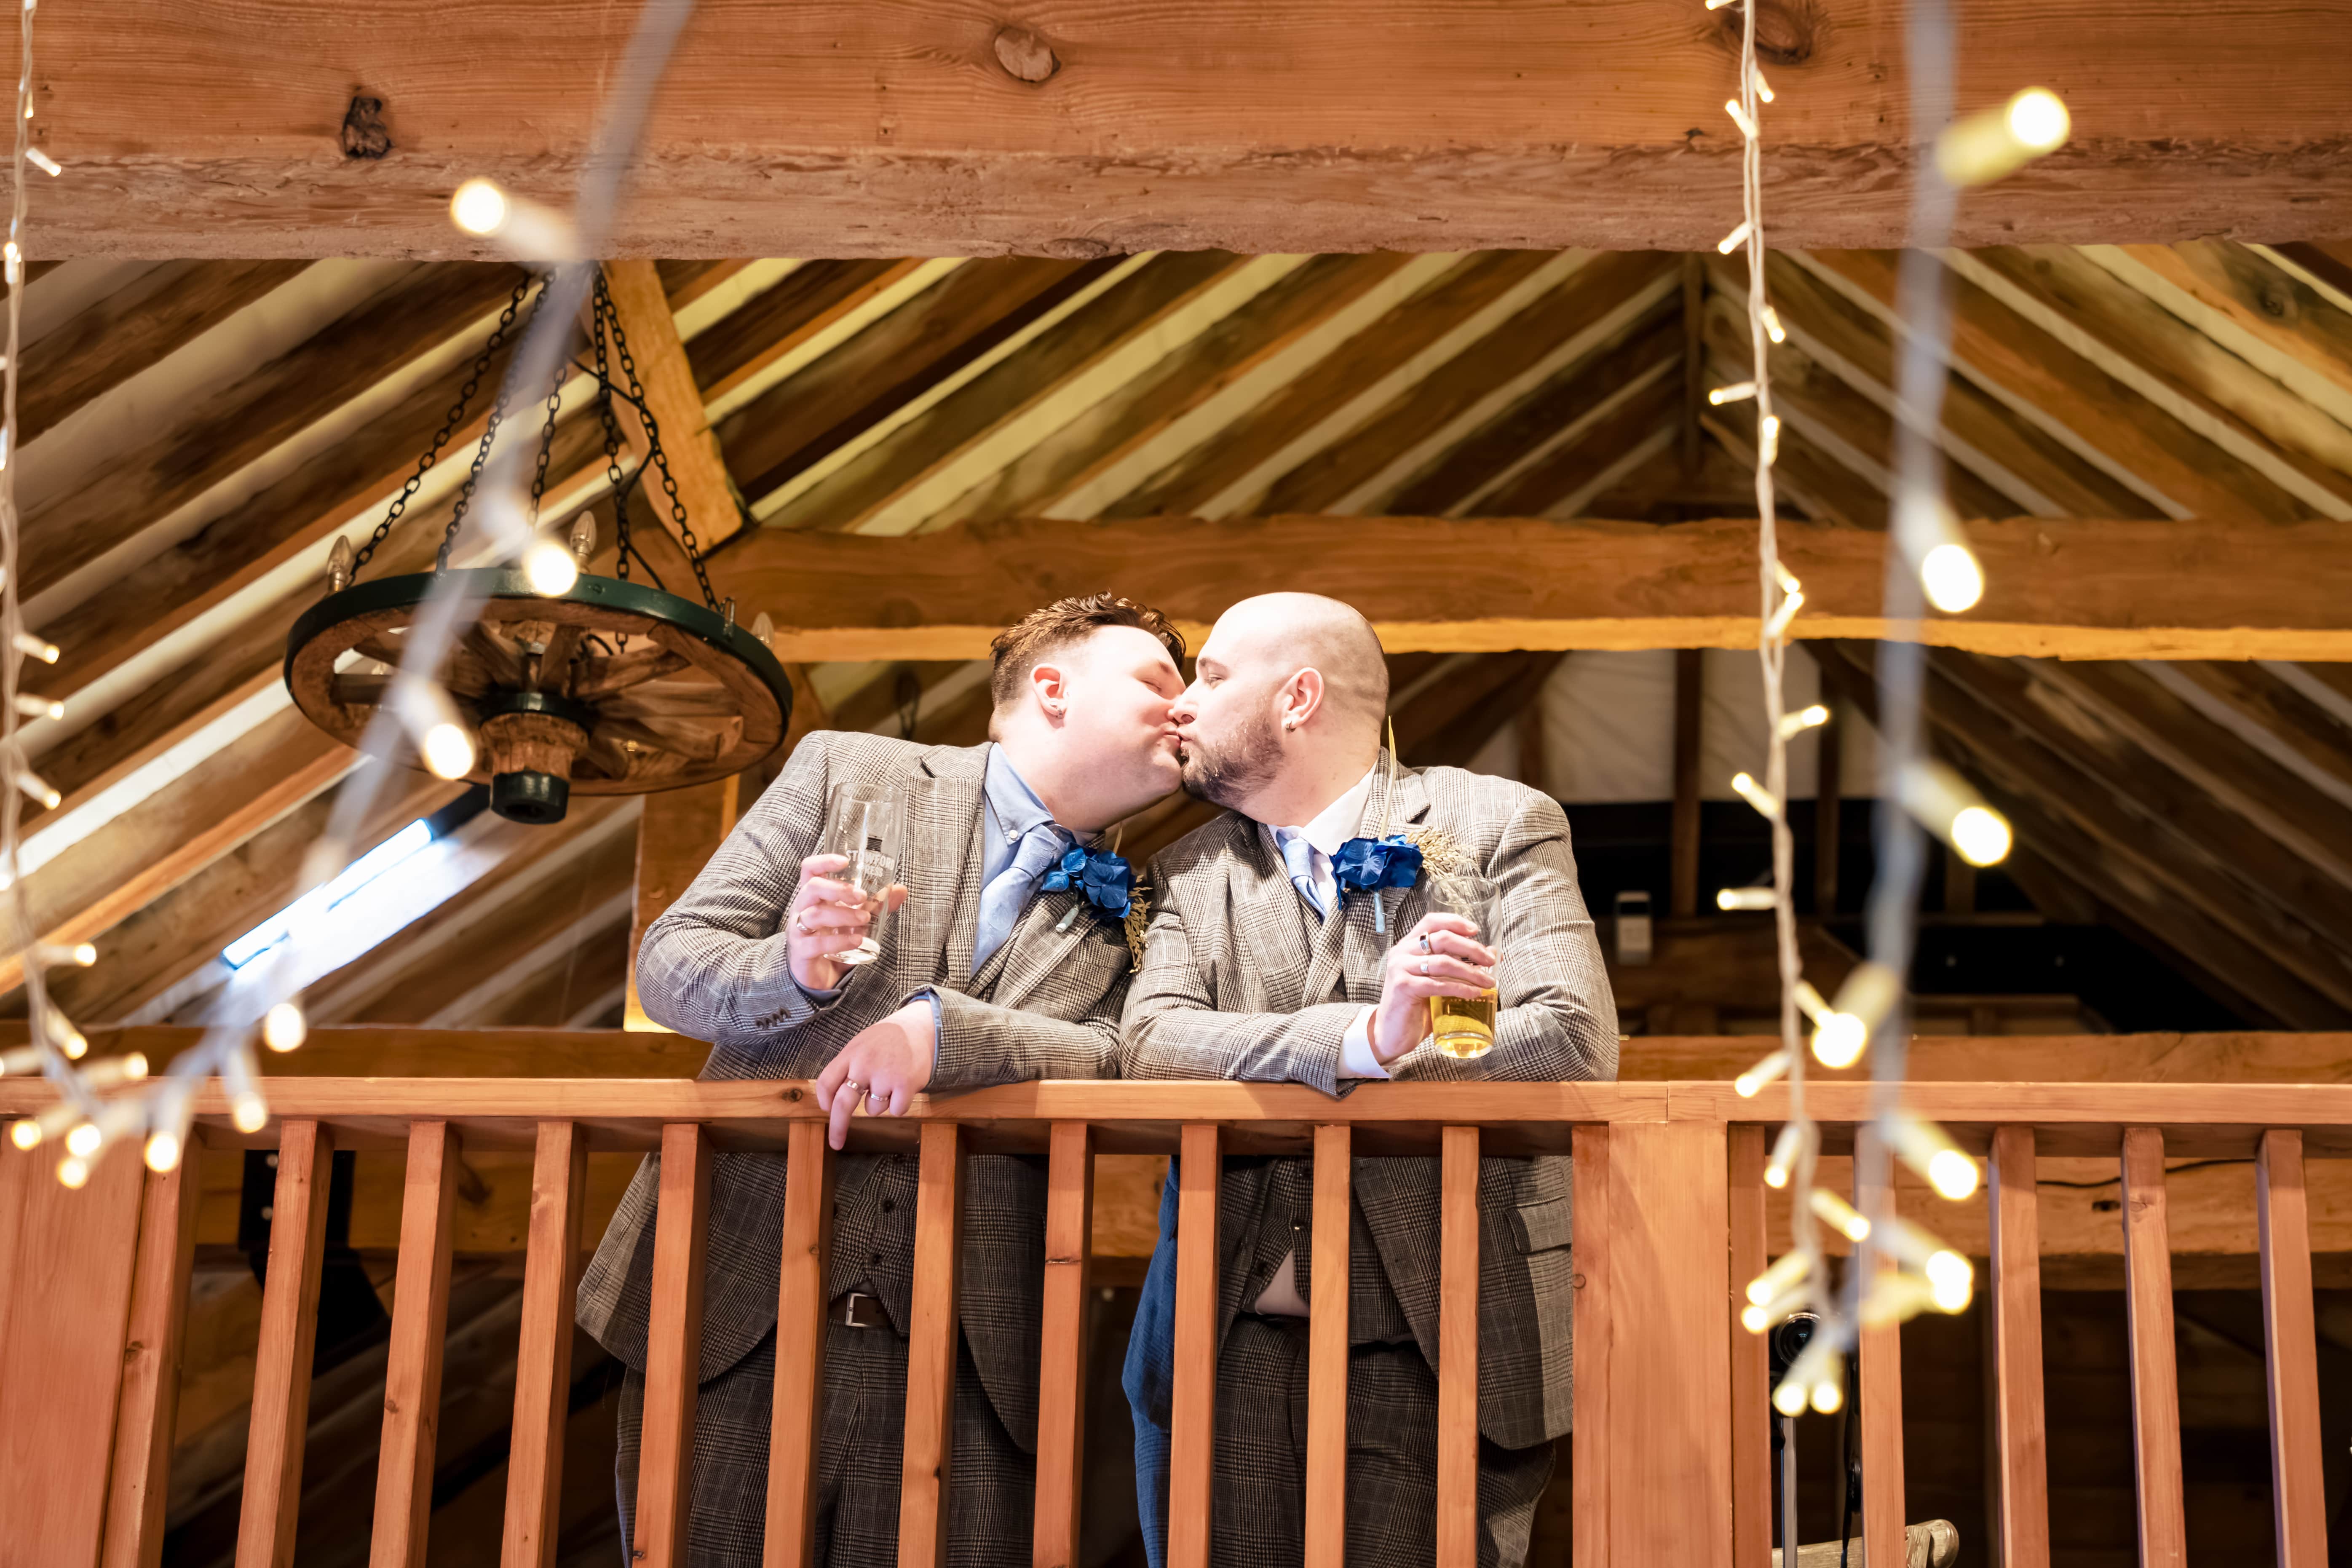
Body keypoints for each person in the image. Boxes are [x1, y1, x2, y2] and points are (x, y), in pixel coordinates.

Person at [577, 593, 1189, 1567]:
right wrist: (788, 969)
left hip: (973, 1355)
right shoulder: (847, 768)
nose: (1186, 707)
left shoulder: (1150, 903)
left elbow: (1126, 1054)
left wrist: (948, 1033)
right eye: (1159, 680)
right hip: (733, 1307)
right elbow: (671, 961)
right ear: (1052, 688)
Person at [1118, 592, 1618, 1568]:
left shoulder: (1497, 820)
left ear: (1297, 696)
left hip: (1442, 1336)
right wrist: (1360, 1039)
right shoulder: (1185, 870)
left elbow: (1570, 1037)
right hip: (1225, 1338)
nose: (1182, 701)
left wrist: (1412, 1047)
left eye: (1211, 677)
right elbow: (1149, 1042)